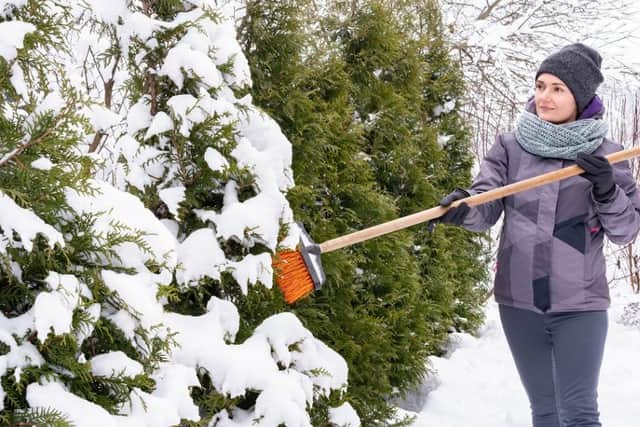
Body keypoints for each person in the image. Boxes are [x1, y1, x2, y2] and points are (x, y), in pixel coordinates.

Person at [434, 43, 640, 427]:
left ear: (580, 96)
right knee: (545, 412)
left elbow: (626, 231)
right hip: (518, 301)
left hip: (580, 303)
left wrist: (607, 189)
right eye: (540, 85)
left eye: (558, 89)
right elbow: (487, 203)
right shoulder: (510, 147)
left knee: (579, 413)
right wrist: (463, 208)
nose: (544, 97)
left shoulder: (608, 156)